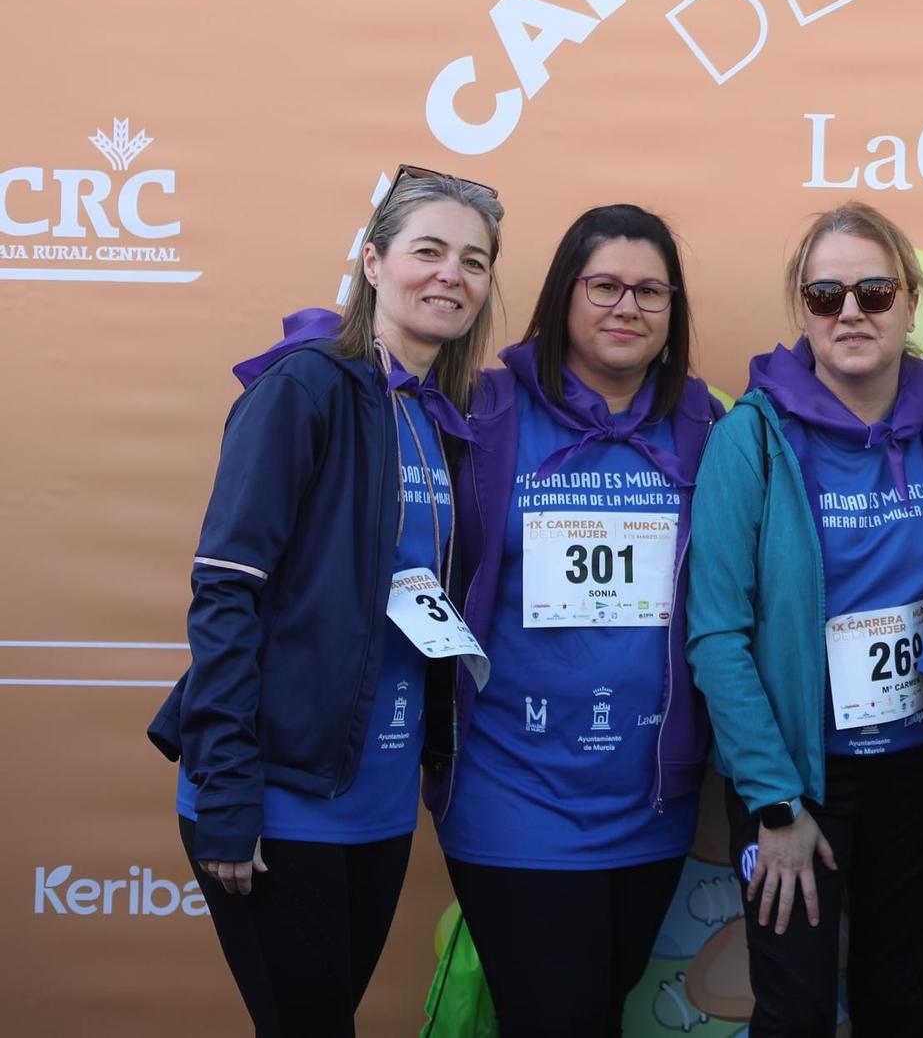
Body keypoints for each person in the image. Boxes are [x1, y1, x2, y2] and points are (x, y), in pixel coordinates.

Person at [148, 168, 503, 1036]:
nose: (450, 274)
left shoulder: (437, 413)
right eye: (428, 250)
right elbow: (226, 594)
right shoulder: (305, 388)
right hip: (279, 792)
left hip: (376, 798)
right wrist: (231, 792)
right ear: (373, 263)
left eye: (475, 260)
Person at [685, 202, 923, 1036]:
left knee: (905, 1007)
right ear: (802, 309)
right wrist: (775, 805)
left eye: (874, 290)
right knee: (793, 1014)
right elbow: (718, 633)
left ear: (909, 302)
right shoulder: (750, 439)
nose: (852, 312)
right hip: (802, 779)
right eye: (827, 295)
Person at [433, 205, 722, 1036]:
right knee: (555, 1017)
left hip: (651, 798)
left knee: (600, 1008)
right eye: (604, 286)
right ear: (563, 296)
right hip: (510, 786)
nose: (627, 306)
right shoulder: (483, 412)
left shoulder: (707, 427)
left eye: (650, 291)